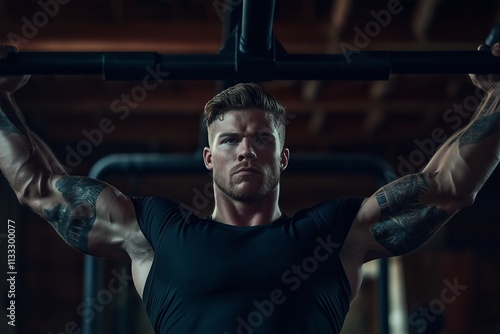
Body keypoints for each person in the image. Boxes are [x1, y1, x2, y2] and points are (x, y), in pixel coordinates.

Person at [0, 43, 499, 334]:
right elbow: (40, 188)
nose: (246, 150)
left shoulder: (333, 234)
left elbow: (446, 188)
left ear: (282, 157)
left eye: (262, 138)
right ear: (208, 157)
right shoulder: (154, 231)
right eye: (231, 139)